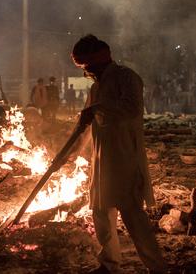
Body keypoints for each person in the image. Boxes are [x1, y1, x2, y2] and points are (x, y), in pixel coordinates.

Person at [71, 35, 166, 273]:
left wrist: (98, 109)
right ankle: (109, 264)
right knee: (101, 211)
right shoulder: (96, 87)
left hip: (124, 157)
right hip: (102, 159)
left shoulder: (127, 78)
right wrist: (72, 154)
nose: (87, 72)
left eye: (87, 66)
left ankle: (157, 267)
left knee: (133, 214)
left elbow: (131, 110)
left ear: (100, 59)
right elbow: (88, 124)